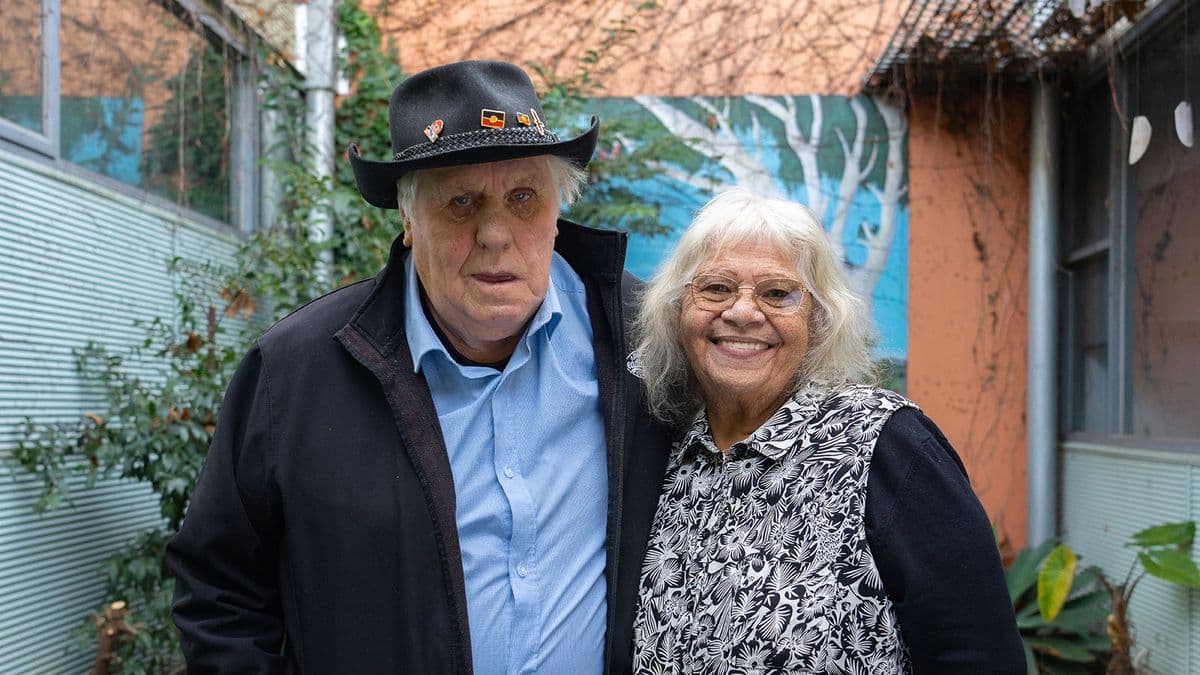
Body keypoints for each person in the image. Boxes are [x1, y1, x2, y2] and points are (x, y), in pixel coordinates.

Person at [166, 60, 672, 674]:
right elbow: (219, 596)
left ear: (555, 213)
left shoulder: (648, 341)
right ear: (408, 220)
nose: (494, 234)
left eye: (522, 198)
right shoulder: (293, 375)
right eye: (461, 202)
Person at [630, 189, 1025, 673]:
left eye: (777, 293)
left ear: (818, 320)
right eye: (715, 288)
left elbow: (979, 656)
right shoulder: (664, 450)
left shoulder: (885, 443)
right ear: (677, 311)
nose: (742, 312)